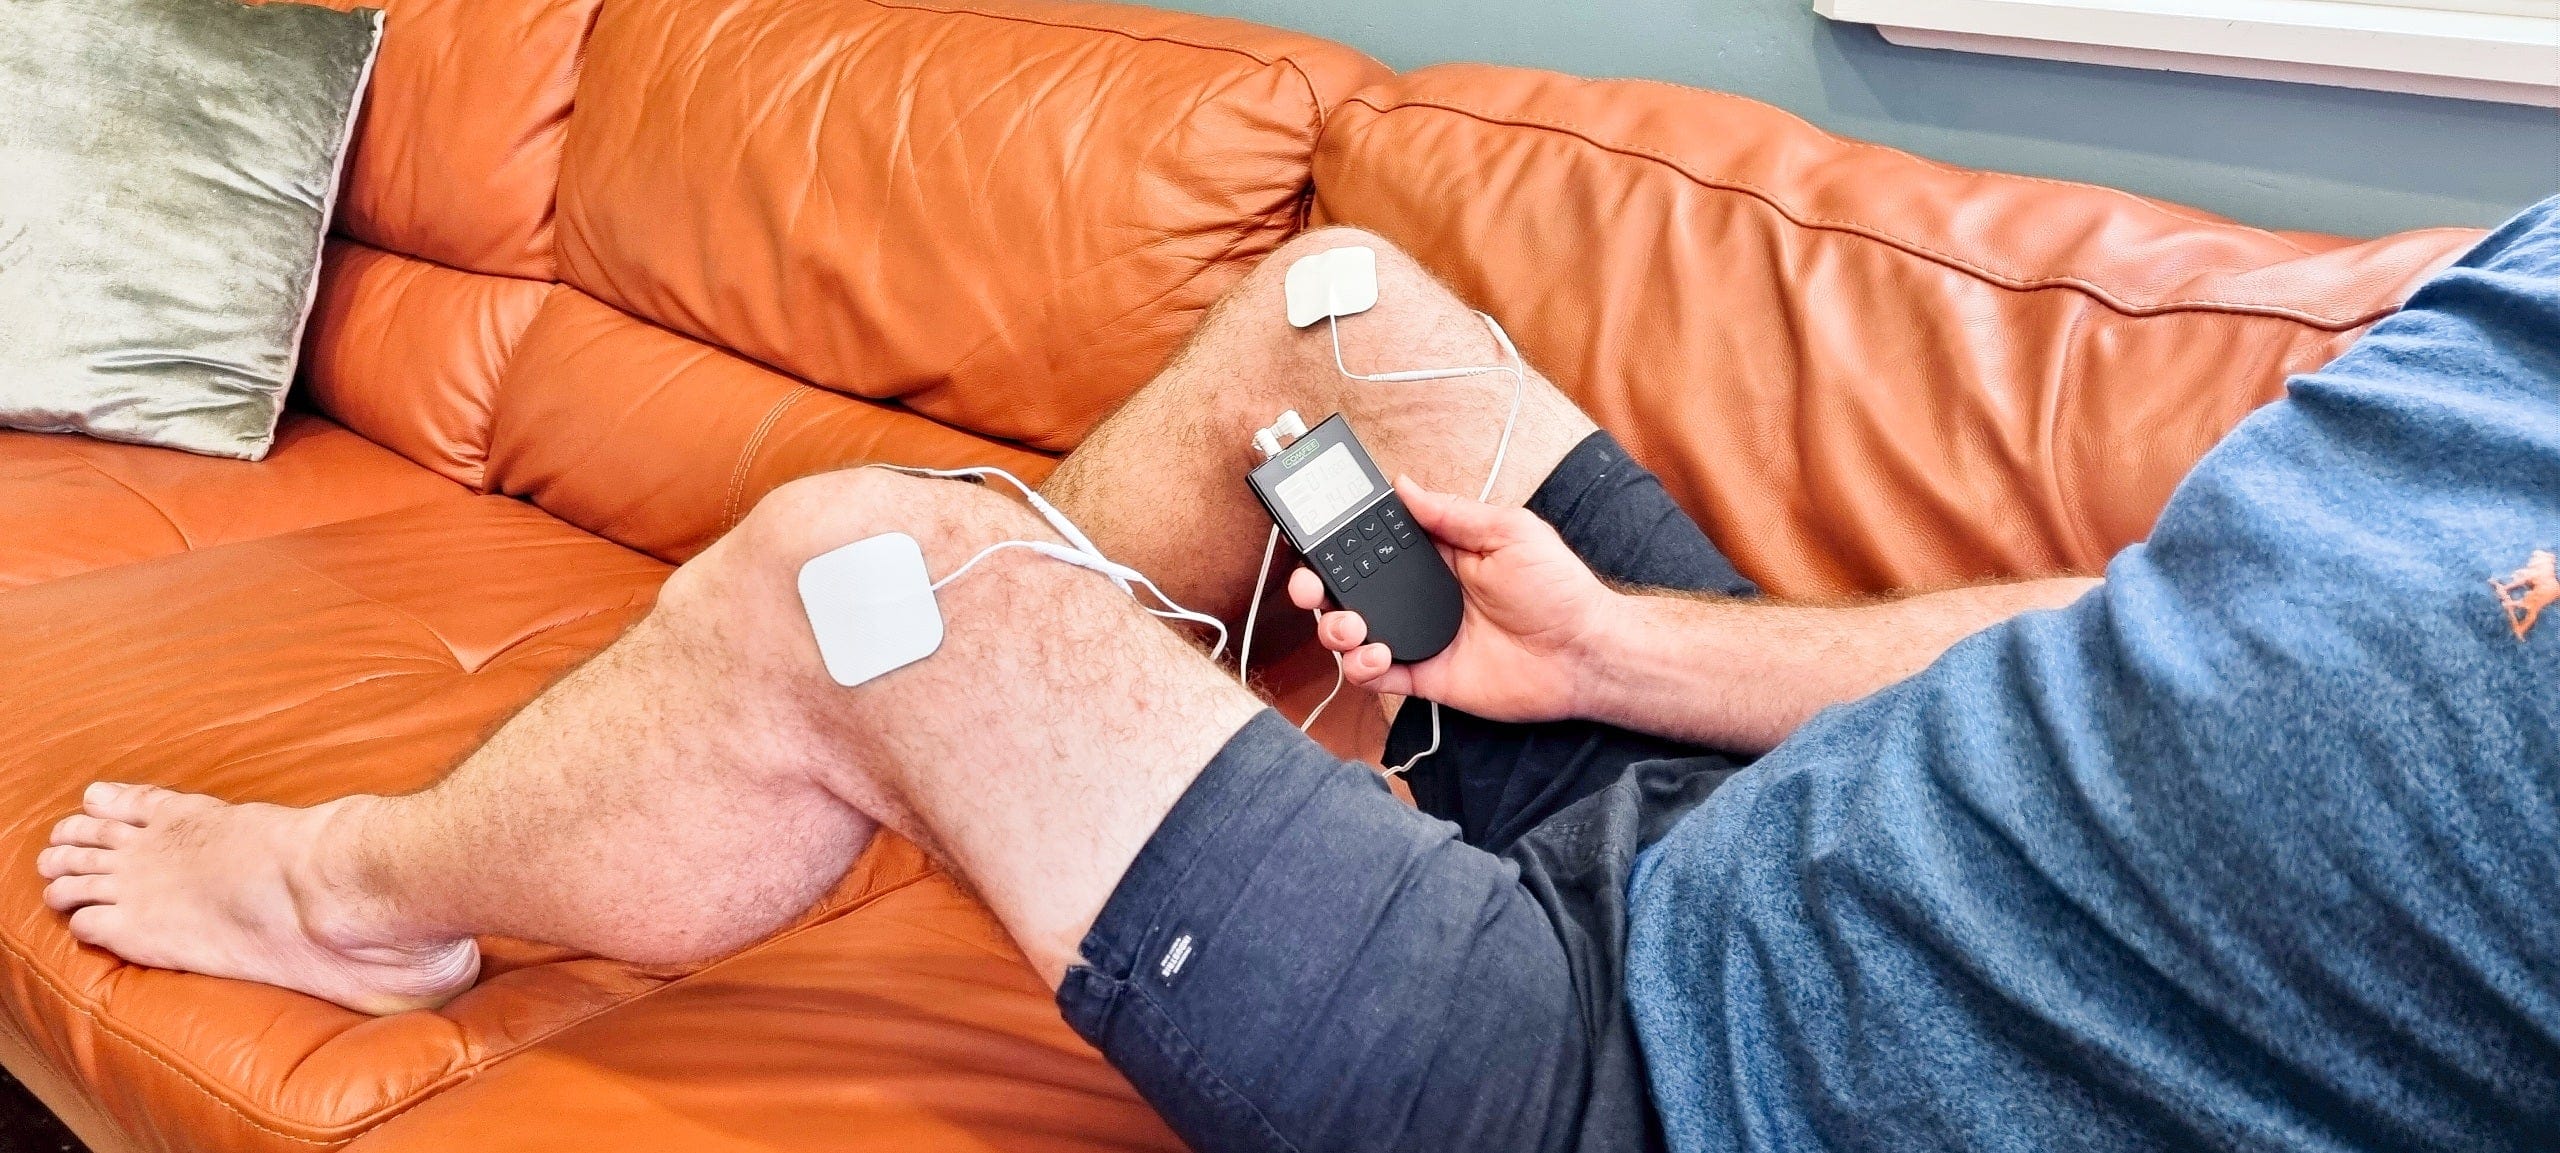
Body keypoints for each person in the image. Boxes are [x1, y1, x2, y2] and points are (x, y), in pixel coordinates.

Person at [35, 195, 2560, 1153]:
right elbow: (2183, 624)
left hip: (1670, 1084)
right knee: (1333, 324)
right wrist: (1638, 649)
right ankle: (935, 736)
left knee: (857, 578)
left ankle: (363, 889)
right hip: (1750, 809)